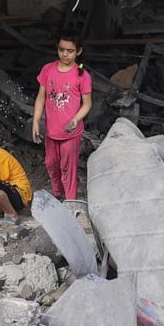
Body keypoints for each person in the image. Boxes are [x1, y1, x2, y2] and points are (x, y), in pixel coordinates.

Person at [32, 29, 92, 200]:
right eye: (61, 49)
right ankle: (58, 194)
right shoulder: (48, 69)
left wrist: (75, 119)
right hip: (52, 131)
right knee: (51, 163)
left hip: (70, 132)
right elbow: (41, 97)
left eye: (70, 51)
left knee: (68, 167)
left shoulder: (82, 75)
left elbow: (87, 104)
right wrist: (36, 121)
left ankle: (71, 199)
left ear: (78, 51)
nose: (65, 54)